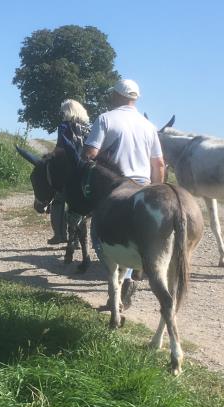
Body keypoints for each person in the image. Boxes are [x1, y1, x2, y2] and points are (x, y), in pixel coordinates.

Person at [83, 79, 165, 307]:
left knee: (100, 234)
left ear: (115, 95)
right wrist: (156, 190)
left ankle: (123, 281)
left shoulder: (106, 119)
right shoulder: (148, 125)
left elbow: (90, 154)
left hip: (114, 186)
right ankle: (133, 274)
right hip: (143, 186)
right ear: (135, 98)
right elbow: (158, 164)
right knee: (139, 236)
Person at [47, 98, 90, 245]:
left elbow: (60, 149)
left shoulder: (64, 126)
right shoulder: (87, 128)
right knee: (78, 203)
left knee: (59, 201)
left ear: (67, 111)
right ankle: (77, 240)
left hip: (67, 170)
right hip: (84, 169)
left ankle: (59, 235)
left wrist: (49, 157)